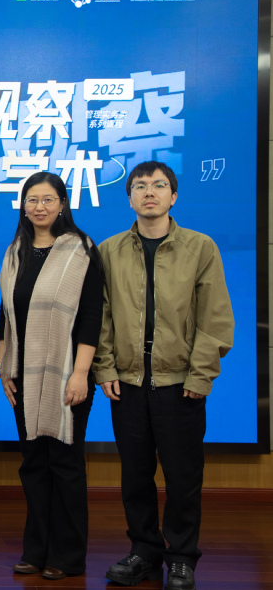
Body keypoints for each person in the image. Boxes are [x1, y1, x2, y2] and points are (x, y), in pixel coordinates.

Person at [94, 161, 233, 590]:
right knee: (135, 476)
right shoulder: (109, 250)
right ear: (130, 198)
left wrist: (200, 375)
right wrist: (105, 367)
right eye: (140, 186)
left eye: (159, 185)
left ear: (173, 196)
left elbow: (215, 318)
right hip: (129, 384)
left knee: (183, 477)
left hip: (180, 385)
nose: (149, 192)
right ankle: (144, 551)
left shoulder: (200, 247)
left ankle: (182, 556)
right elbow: (100, 316)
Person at [0, 172, 103, 580]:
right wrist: (4, 369)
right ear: (23, 207)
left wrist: (80, 374)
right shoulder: (15, 253)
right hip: (23, 375)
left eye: (48, 199)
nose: (39, 206)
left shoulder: (81, 250)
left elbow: (92, 316)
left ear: (62, 205)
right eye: (32, 199)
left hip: (67, 376)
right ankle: (35, 551)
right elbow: (5, 316)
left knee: (65, 464)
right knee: (33, 464)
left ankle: (67, 556)